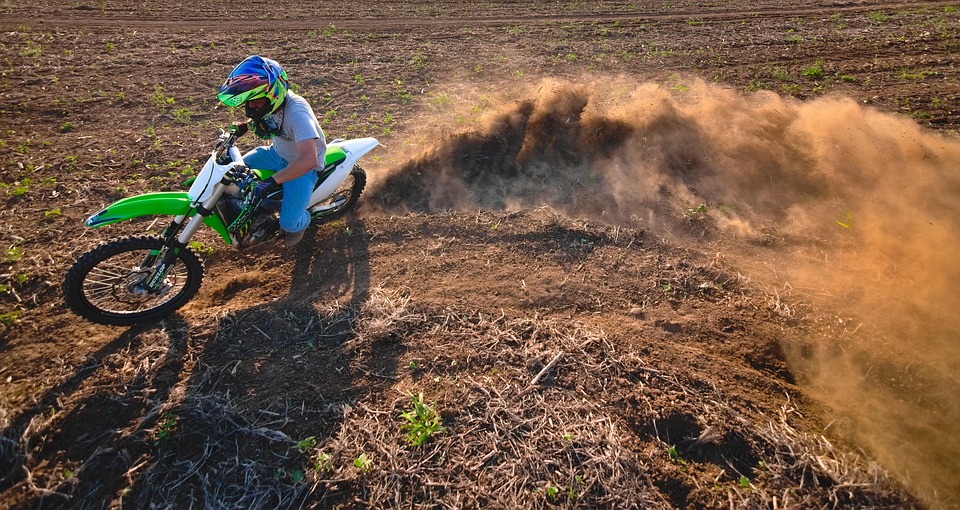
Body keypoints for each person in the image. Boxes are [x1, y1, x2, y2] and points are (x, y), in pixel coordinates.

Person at [216, 55, 327, 248]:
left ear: (273, 94)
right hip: (275, 154)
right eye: (249, 103)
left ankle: (304, 220)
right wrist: (245, 127)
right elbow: (268, 119)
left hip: (302, 166)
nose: (252, 107)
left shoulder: (297, 113)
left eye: (257, 102)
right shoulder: (272, 104)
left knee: (289, 224)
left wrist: (270, 182)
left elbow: (309, 158)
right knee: (229, 173)